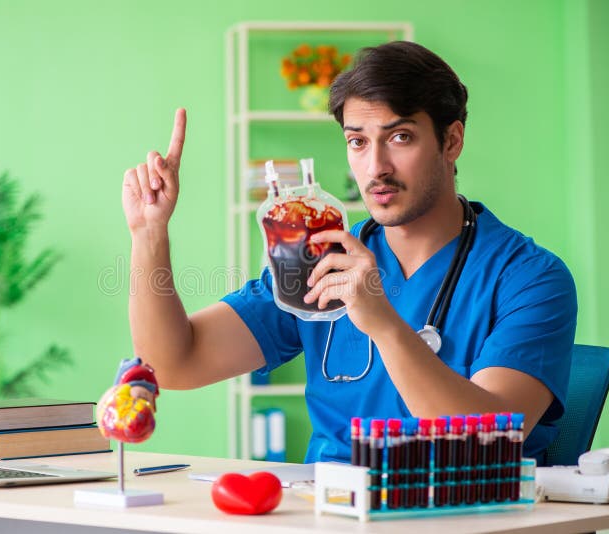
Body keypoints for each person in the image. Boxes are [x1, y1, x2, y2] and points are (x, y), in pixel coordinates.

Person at [121, 41, 577, 465]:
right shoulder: (321, 256)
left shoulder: (529, 278)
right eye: (358, 142)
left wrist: (383, 324)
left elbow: (486, 443)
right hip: (329, 505)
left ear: (452, 141)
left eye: (400, 137)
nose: (376, 167)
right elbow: (175, 363)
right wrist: (149, 233)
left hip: (459, 508)